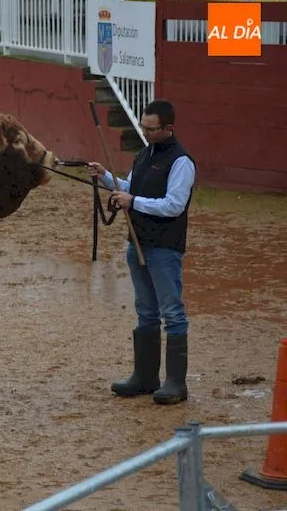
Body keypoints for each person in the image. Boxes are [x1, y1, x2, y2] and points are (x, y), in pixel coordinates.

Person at [87, 99, 196, 405]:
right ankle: (146, 377)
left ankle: (176, 383)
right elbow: (130, 188)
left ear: (168, 128)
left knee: (172, 312)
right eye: (144, 127)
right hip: (137, 244)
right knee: (145, 311)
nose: (146, 133)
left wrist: (132, 202)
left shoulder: (181, 162)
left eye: (152, 129)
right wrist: (107, 178)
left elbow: (173, 205)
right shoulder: (144, 155)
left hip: (164, 247)